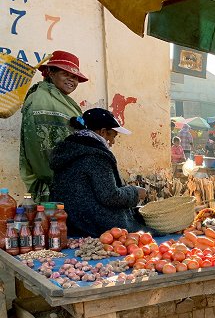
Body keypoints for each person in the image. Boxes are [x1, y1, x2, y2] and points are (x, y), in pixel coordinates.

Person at [49, 108, 151, 237]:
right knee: (152, 232)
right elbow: (110, 196)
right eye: (113, 136)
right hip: (94, 225)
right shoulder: (96, 156)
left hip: (71, 222)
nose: (113, 142)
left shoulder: (68, 149)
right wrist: (135, 192)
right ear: (103, 132)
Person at [20, 50, 87, 203]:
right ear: (50, 72)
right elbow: (39, 149)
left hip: (72, 180)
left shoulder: (64, 102)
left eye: (75, 77)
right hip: (54, 183)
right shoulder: (40, 99)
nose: (72, 80)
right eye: (66, 74)